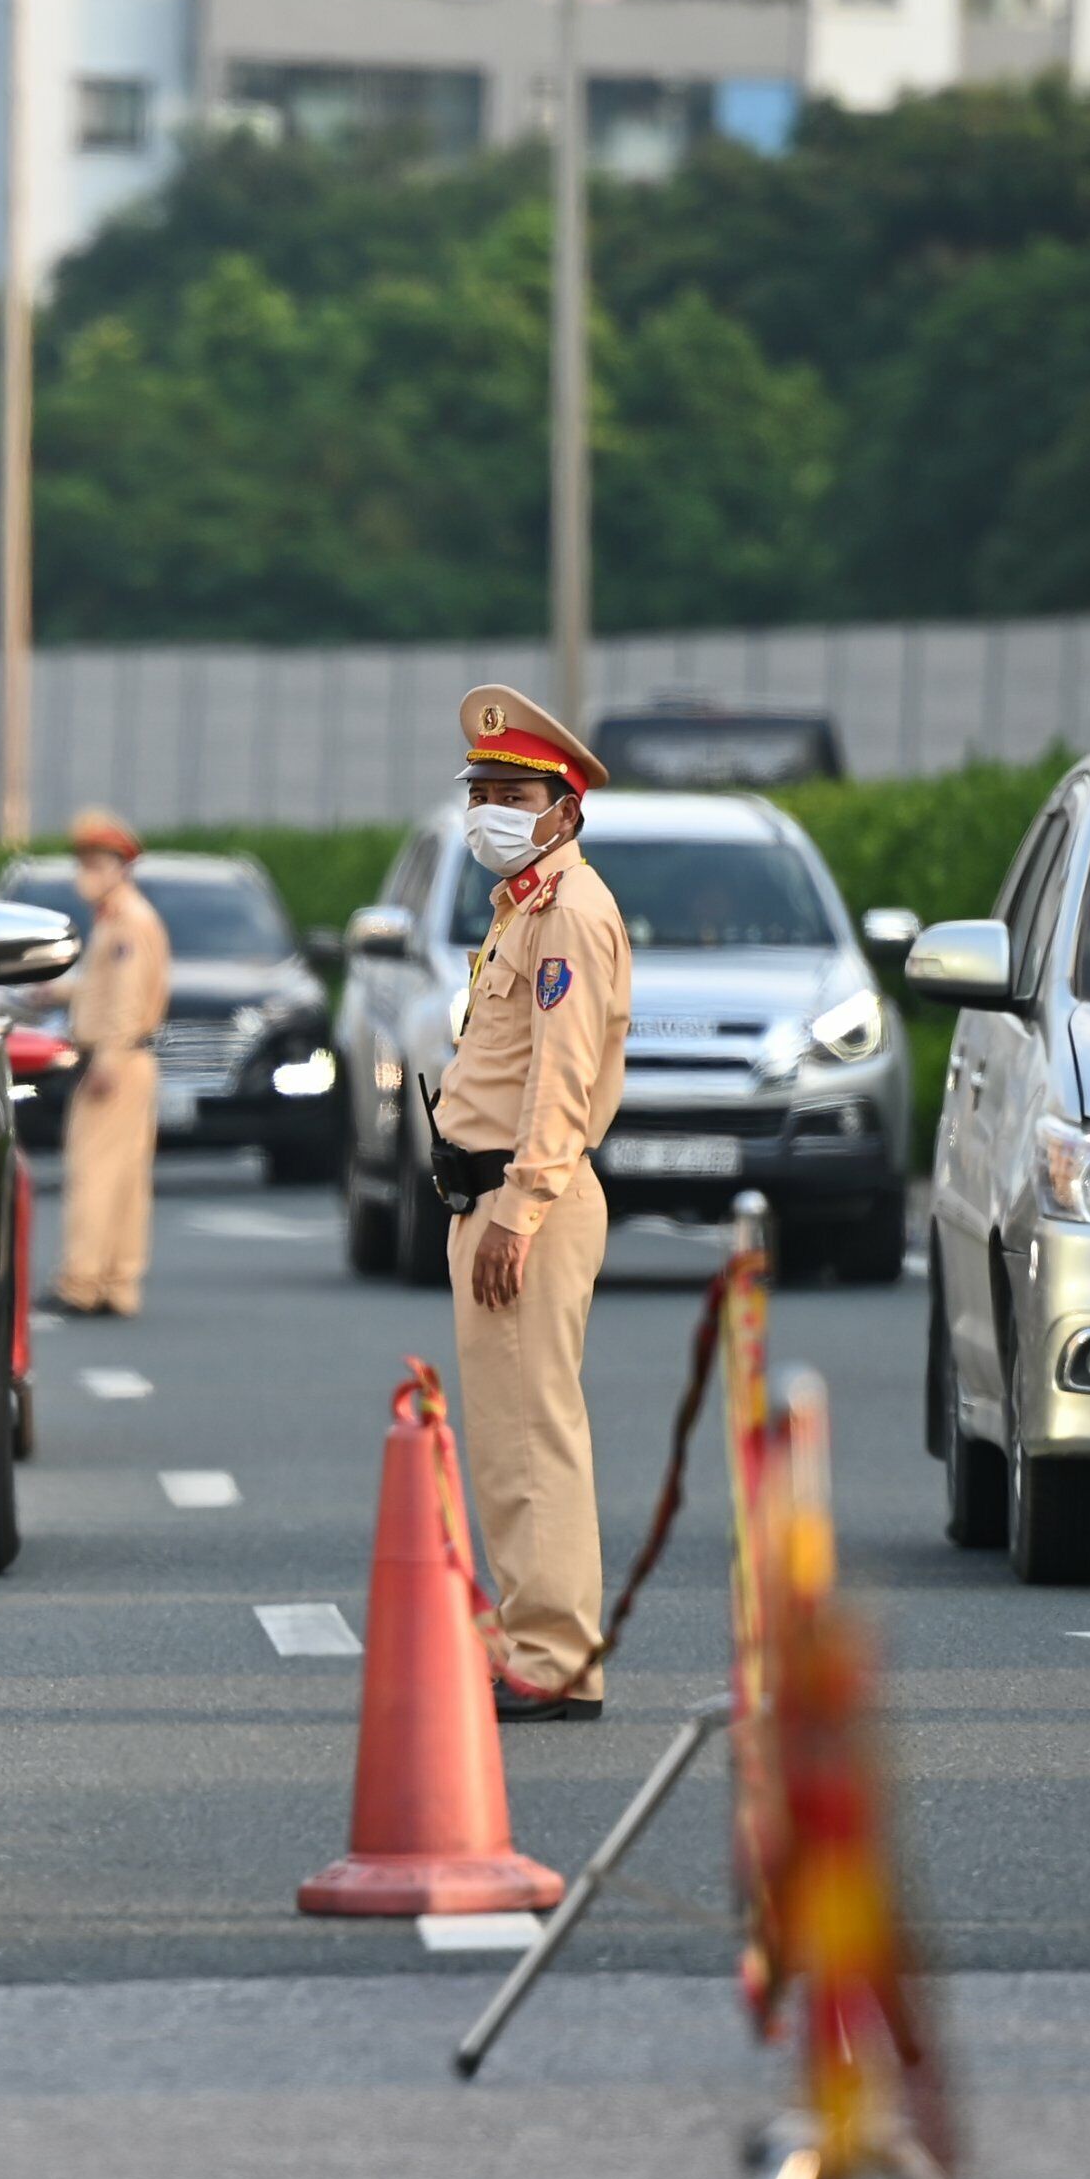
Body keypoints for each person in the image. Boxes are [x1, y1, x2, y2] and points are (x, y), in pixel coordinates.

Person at [427, 686, 631, 1723]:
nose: (490, 813)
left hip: (525, 1202)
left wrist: (517, 1208)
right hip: (498, 1196)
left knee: (531, 1437)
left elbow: (561, 1078)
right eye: (481, 793)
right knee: (507, 1439)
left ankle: (553, 1658)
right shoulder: (525, 906)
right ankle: (531, 1640)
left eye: (513, 796)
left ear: (566, 809)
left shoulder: (568, 915)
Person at [49, 807, 171, 1317]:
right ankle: (116, 1284)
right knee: (123, 1180)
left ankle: (82, 1283)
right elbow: (105, 989)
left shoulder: (126, 923)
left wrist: (107, 1056)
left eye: (97, 864)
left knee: (94, 1173)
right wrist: (60, 993)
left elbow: (125, 998)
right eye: (84, 863)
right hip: (128, 1059)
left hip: (115, 1060)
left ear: (121, 868)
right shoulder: (121, 919)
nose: (87, 874)